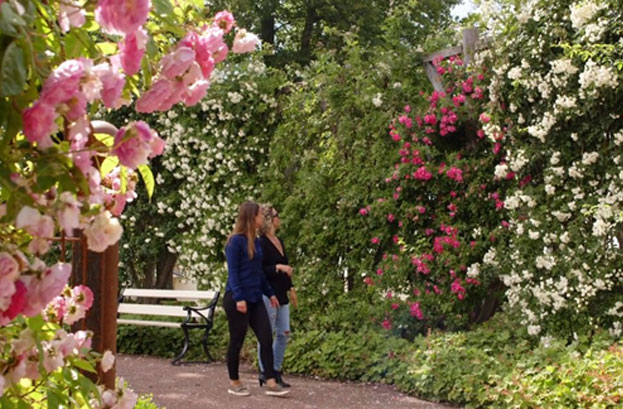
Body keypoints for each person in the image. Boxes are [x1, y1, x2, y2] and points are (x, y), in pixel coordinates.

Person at [224, 201, 289, 397]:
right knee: (237, 340)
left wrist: (270, 293)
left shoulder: (256, 242)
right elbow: (233, 273)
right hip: (237, 298)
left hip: (255, 298)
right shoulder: (235, 242)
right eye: (260, 215)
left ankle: (270, 381)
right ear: (252, 217)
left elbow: (259, 273)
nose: (263, 218)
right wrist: (239, 298)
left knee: (266, 337)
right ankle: (234, 381)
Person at [257, 205, 297, 388]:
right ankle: (265, 371)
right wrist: (278, 268)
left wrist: (292, 288)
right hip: (268, 293)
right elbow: (260, 270)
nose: (279, 218)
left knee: (283, 333)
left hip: (282, 292)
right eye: (276, 215)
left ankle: (276, 369)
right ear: (269, 219)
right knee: (267, 334)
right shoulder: (261, 243)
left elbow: (286, 266)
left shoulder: (279, 240)